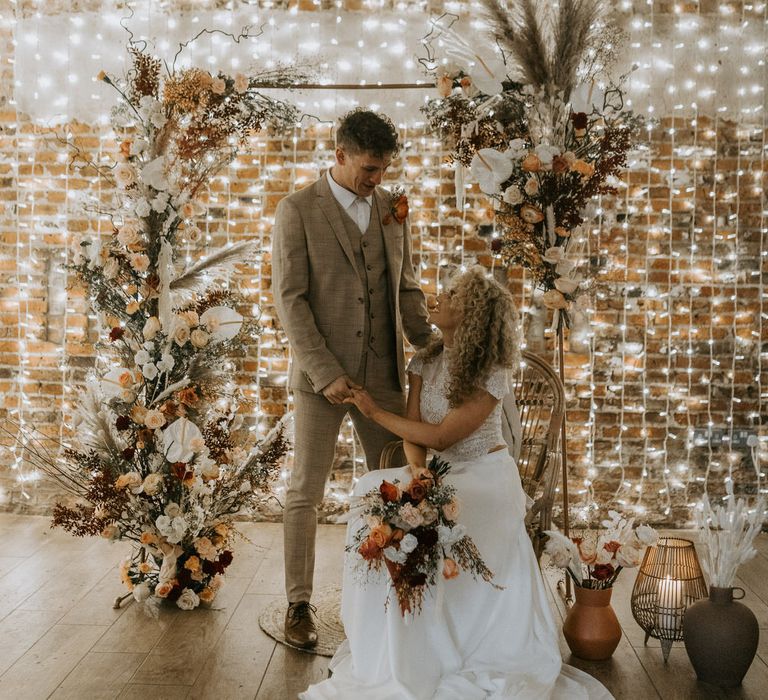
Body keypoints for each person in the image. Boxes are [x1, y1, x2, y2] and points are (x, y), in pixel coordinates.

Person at [300, 267, 613, 699]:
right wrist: (416, 469)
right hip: (442, 473)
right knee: (369, 493)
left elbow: (445, 435)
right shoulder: (424, 361)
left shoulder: (491, 368)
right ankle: (390, 647)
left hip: (486, 476)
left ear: (472, 312)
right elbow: (415, 431)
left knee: (434, 514)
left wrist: (372, 412)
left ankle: (445, 641)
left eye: (450, 294)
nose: (437, 297)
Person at [271, 109, 434, 648]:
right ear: (339, 155)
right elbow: (290, 302)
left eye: (384, 169)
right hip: (322, 379)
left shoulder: (393, 209)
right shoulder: (296, 210)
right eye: (369, 168)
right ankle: (299, 604)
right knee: (305, 492)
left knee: (396, 488)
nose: (377, 180)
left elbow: (405, 287)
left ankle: (399, 599)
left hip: (383, 377)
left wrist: (432, 346)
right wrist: (326, 373)